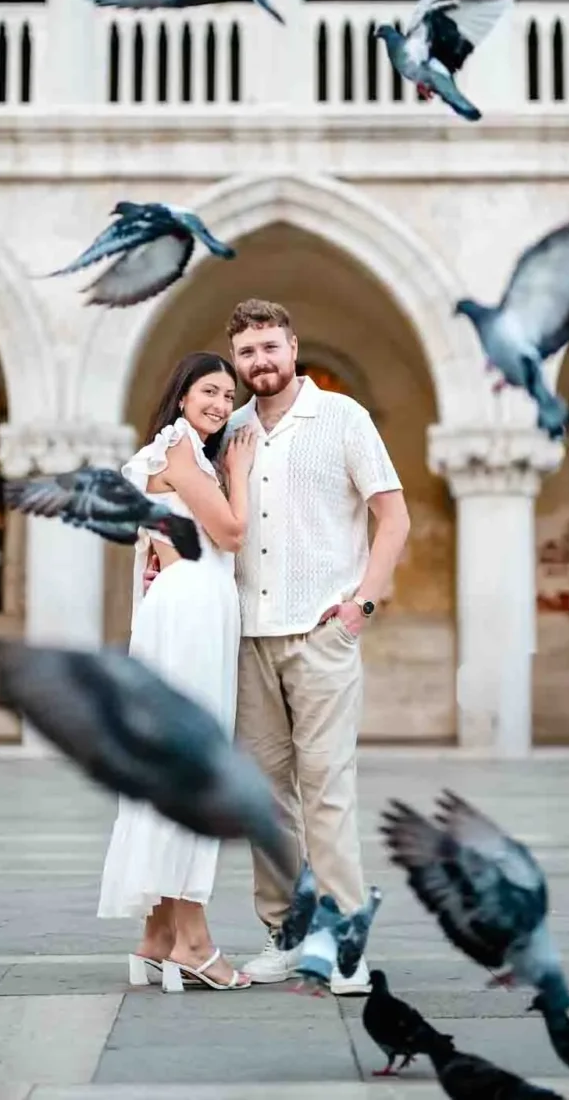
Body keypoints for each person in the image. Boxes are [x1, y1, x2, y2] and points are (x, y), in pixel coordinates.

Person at [228, 298, 410, 994]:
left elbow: (392, 515)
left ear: (293, 346)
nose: (259, 362)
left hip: (321, 634)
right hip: (249, 639)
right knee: (267, 800)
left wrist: (361, 603)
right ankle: (287, 934)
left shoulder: (343, 418)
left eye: (270, 347)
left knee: (327, 790)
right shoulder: (234, 430)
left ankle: (345, 945)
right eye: (247, 353)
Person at [97, 351, 257, 991]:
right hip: (192, 608)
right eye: (210, 391)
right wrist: (239, 471)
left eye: (228, 395)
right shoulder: (179, 455)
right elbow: (231, 531)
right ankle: (194, 941)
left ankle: (157, 937)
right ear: (182, 393)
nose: (220, 404)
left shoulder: (180, 453)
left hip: (190, 605)